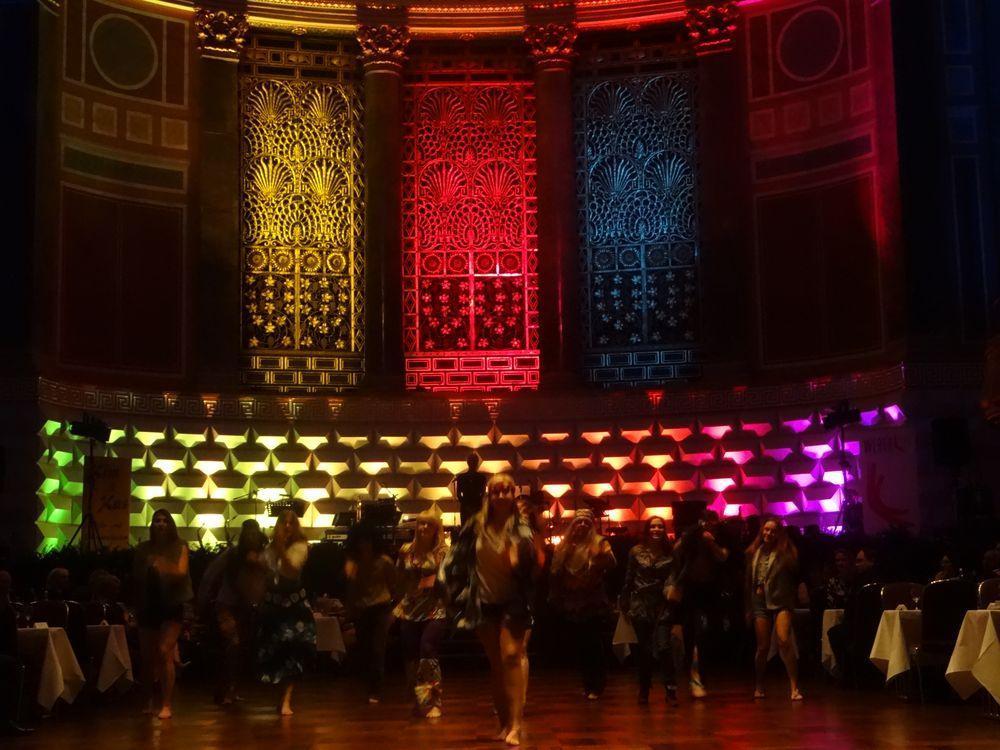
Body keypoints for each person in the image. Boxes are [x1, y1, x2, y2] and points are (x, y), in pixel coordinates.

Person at [440, 473, 540, 746]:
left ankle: (516, 724)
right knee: (496, 663)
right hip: (483, 600)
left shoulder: (520, 527)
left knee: (511, 656)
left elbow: (531, 565)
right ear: (489, 495)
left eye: (506, 490)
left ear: (512, 494)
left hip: (513, 601)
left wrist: (517, 559)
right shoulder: (476, 524)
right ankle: (504, 723)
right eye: (496, 491)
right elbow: (456, 556)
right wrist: (447, 585)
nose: (501, 495)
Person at [198, 520, 268, 705]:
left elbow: (210, 575)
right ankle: (228, 689)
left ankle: (230, 689)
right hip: (229, 605)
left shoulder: (252, 555)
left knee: (238, 647)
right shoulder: (236, 554)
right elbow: (211, 575)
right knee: (234, 645)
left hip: (242, 606)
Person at [548, 508, 615, 700]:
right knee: (580, 644)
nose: (583, 525)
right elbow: (555, 571)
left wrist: (599, 558)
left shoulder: (600, 543)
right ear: (574, 524)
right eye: (580, 521)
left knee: (593, 643)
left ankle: (597, 684)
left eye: (587, 522)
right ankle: (587, 683)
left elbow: (612, 563)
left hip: (592, 601)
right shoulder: (565, 545)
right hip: (572, 601)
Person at [134, 509, 193, 719]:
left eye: (164, 521)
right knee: (147, 656)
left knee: (164, 651)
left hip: (171, 603)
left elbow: (181, 572)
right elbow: (136, 577)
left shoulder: (180, 546)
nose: (160, 524)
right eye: (156, 521)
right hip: (148, 604)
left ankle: (166, 703)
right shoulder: (143, 549)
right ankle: (148, 699)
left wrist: (162, 565)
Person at [258, 509, 315, 716]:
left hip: (294, 608)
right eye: (284, 523)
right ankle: (279, 697)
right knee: (275, 653)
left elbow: (291, 571)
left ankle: (286, 699)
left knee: (293, 653)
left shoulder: (300, 547)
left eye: (292, 523)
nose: (288, 527)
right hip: (274, 607)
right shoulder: (269, 549)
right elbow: (263, 573)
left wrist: (281, 550)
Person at [618, 516, 679, 705]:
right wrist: (624, 601)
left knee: (664, 646)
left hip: (662, 604)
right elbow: (629, 577)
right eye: (653, 526)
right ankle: (644, 688)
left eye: (660, 526)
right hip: (640, 604)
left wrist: (670, 591)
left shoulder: (671, 553)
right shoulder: (636, 551)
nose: (656, 529)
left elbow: (674, 578)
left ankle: (670, 690)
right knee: (643, 650)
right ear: (647, 530)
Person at [394, 511, 448, 718]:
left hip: (434, 609)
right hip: (410, 609)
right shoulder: (406, 550)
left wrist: (433, 581)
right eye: (421, 524)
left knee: (427, 650)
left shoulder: (442, 552)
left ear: (436, 529)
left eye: (429, 524)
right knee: (411, 657)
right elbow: (399, 577)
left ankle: (434, 702)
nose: (424, 528)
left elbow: (447, 578)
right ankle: (419, 699)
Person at [671, 512, 729, 698]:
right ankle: (695, 675)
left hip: (707, 590)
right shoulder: (694, 536)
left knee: (704, 633)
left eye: (713, 523)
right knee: (694, 634)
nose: (711, 526)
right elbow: (675, 550)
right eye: (708, 523)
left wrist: (711, 543)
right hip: (693, 590)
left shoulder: (715, 537)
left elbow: (723, 557)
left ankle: (698, 674)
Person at [746, 517, 802, 701]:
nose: (768, 533)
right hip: (759, 602)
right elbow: (748, 581)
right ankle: (759, 685)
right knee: (762, 647)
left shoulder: (785, 552)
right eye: (766, 530)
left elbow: (795, 575)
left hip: (781, 600)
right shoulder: (754, 552)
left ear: (779, 534)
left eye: (772, 531)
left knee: (784, 640)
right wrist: (748, 606)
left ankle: (794, 687)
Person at [345, 523, 396, 704]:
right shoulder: (354, 563)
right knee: (365, 648)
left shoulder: (384, 561)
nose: (364, 545)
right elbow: (351, 588)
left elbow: (394, 585)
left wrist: (394, 609)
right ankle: (369, 686)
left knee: (377, 649)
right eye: (361, 541)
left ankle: (375, 689)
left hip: (381, 607)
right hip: (362, 609)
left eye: (367, 541)